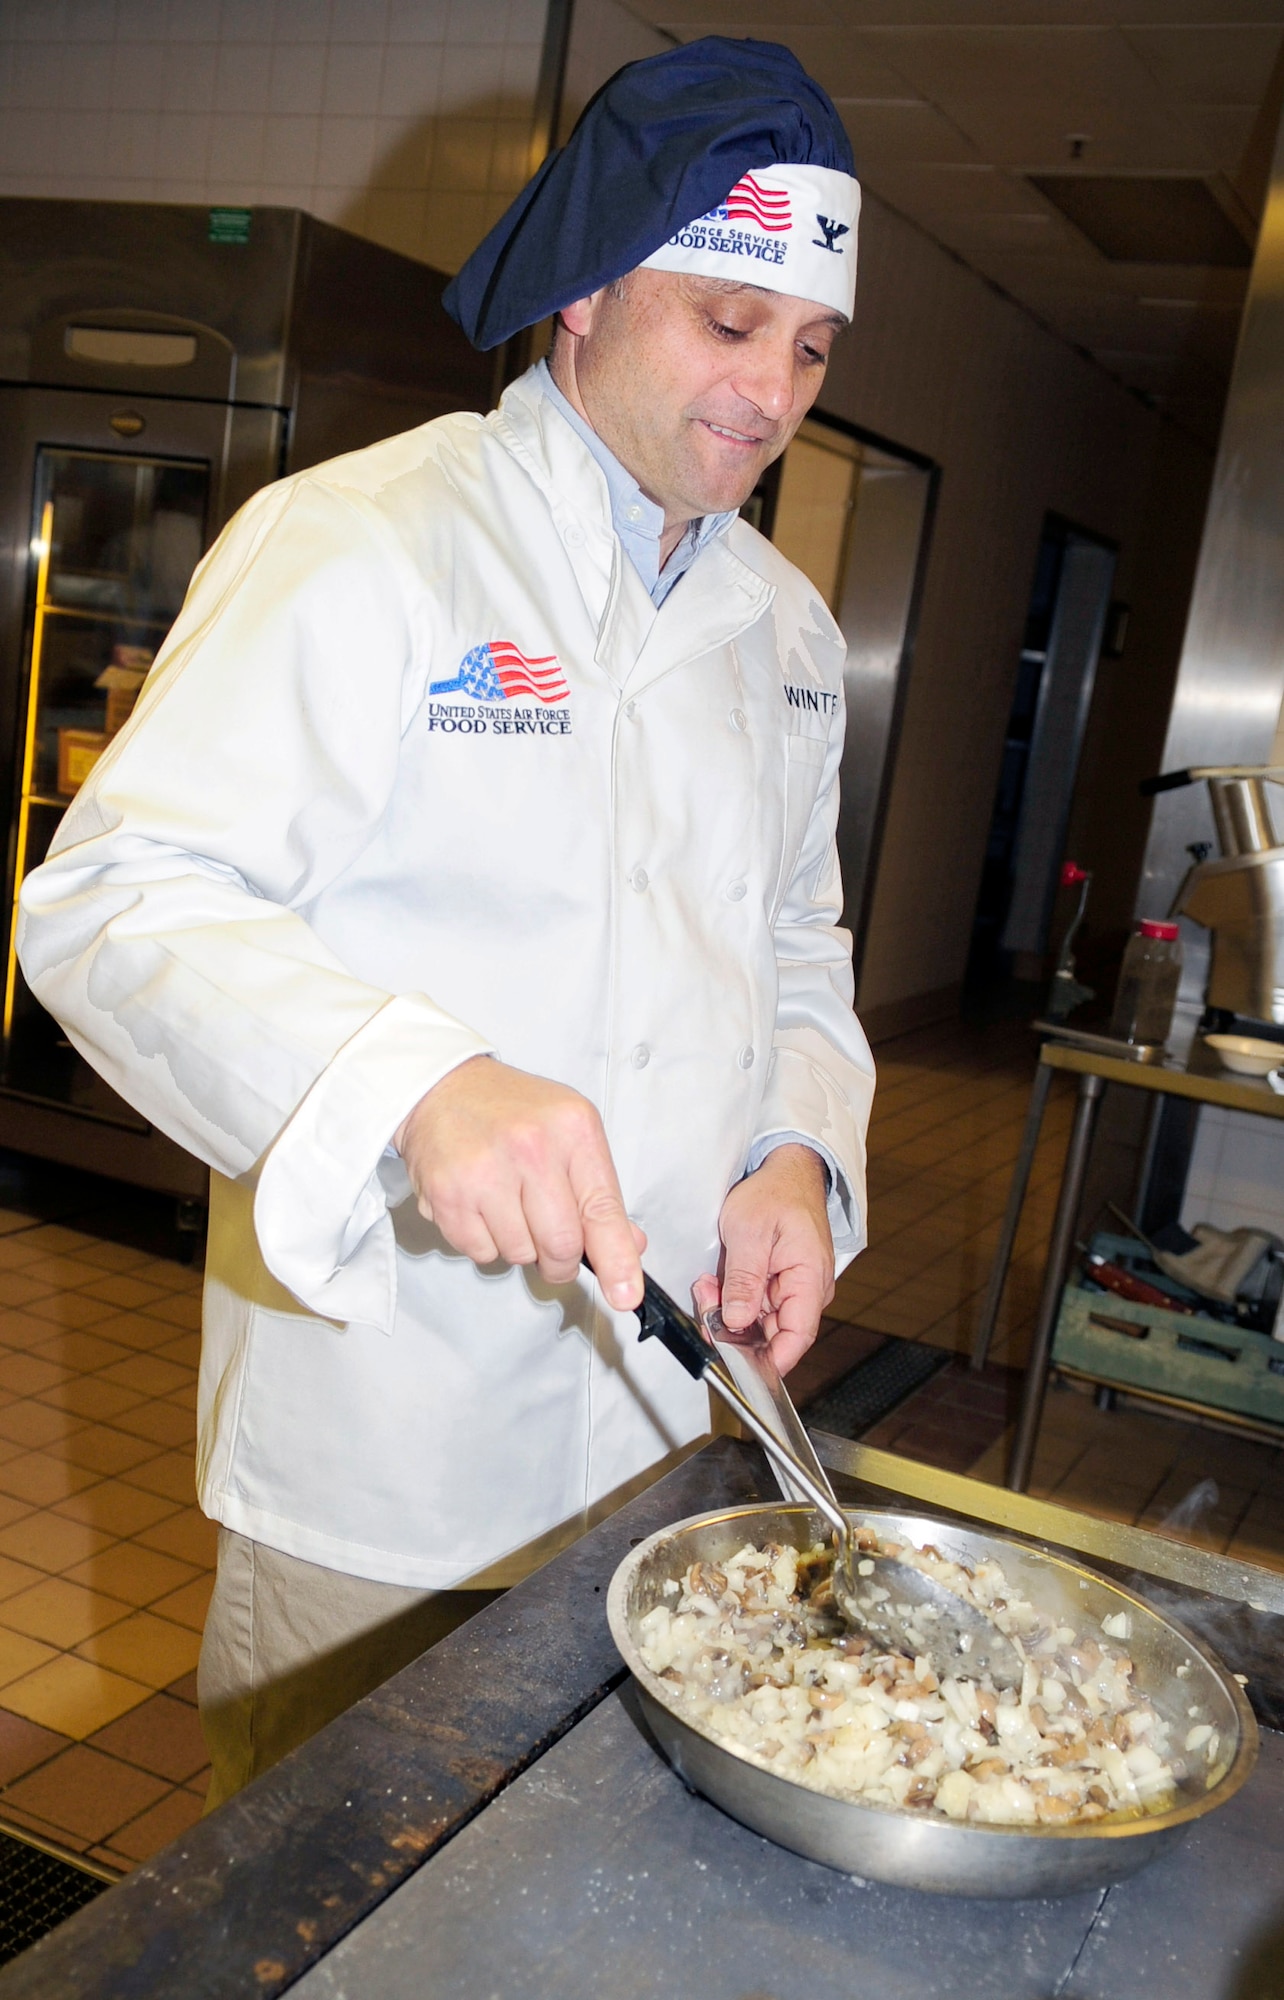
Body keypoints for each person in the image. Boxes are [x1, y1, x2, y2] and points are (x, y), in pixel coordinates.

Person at [17, 35, 875, 1804]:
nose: (773, 393)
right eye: (728, 325)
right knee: (311, 1900)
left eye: (809, 347)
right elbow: (111, 904)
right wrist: (418, 1084)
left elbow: (795, 941)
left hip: (660, 1420)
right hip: (387, 1431)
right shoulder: (367, 540)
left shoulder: (789, 631)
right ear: (583, 292)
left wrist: (797, 1148)